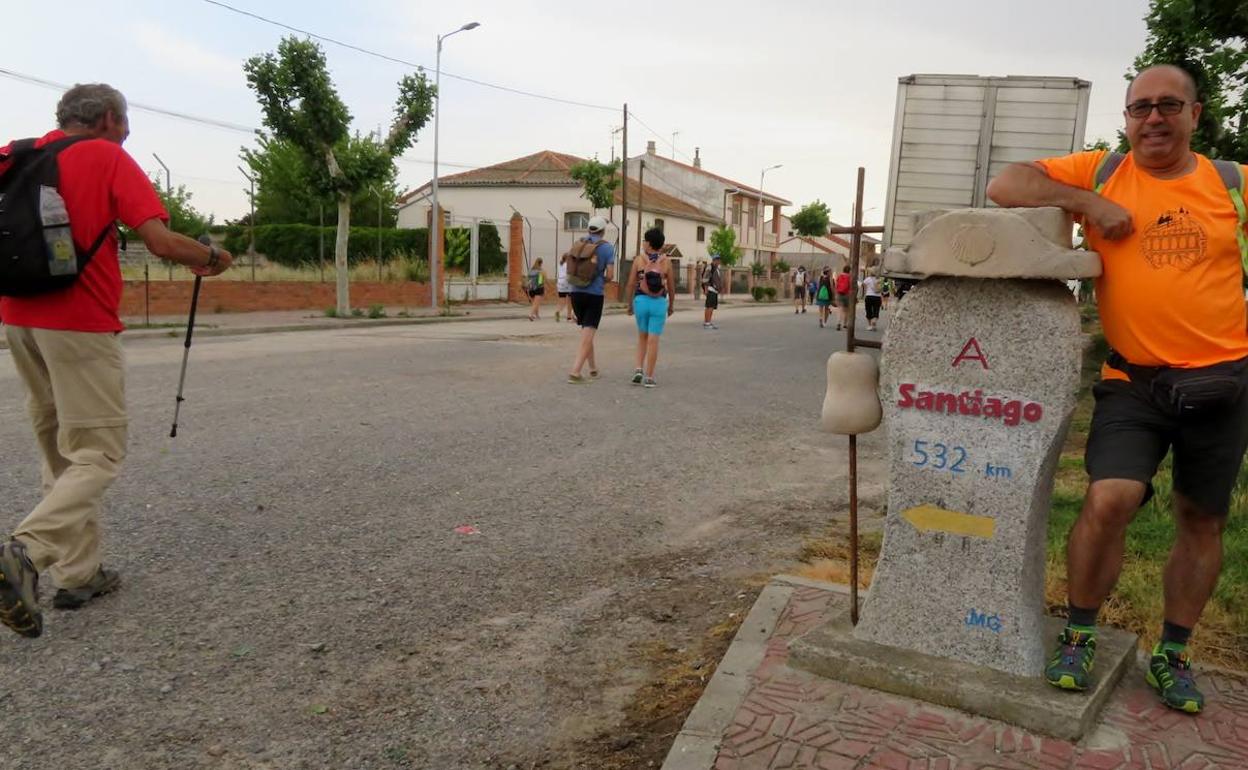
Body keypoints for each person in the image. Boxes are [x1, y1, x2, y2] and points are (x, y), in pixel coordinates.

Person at [987, 64, 1248, 714]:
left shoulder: (1233, 183)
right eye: (1140, 108)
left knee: (1202, 519)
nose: (1153, 118)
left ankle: (1175, 653)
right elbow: (1005, 183)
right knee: (1109, 499)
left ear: (1196, 114)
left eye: (1169, 106)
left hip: (1224, 382)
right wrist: (1087, 204)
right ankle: (1078, 632)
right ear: (1127, 117)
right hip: (1133, 379)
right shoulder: (1103, 171)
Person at [0, 83, 234, 638]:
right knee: (99, 452)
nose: (128, 133)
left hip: (16, 317)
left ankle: (79, 574)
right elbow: (158, 241)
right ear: (108, 118)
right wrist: (213, 257)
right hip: (78, 321)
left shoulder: (13, 154)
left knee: (64, 447)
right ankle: (24, 554)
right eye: (125, 123)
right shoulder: (107, 156)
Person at [566, 215, 615, 384]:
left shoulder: (579, 243)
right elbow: (610, 274)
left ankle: (593, 369)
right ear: (603, 231)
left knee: (587, 333)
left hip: (576, 292)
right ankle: (575, 371)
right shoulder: (607, 248)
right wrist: (603, 279)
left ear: (589, 229)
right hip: (594, 294)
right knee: (588, 334)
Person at [624, 228, 675, 387]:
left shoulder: (639, 260)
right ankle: (650, 377)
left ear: (649, 243)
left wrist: (629, 304)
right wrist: (671, 305)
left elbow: (631, 283)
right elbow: (672, 287)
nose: (643, 243)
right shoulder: (666, 262)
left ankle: (638, 369)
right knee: (653, 340)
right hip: (659, 303)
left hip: (641, 301)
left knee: (642, 337)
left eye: (644, 241)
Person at [702, 253, 723, 329]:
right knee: (709, 307)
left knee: (711, 307)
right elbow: (705, 278)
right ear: (714, 260)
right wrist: (706, 289)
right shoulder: (710, 267)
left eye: (719, 259)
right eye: (717, 259)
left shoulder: (716, 268)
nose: (719, 261)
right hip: (711, 290)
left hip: (714, 290)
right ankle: (707, 323)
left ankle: (708, 322)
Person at [833, 265, 853, 331]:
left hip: (839, 294)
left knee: (840, 309)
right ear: (849, 271)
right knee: (846, 310)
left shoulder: (839, 276)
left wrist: (835, 293)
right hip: (847, 294)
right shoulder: (850, 277)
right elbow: (851, 286)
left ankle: (838, 323)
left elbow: (836, 285)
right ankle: (845, 324)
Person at [555, 256, 573, 323]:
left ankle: (558, 311)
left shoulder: (560, 265)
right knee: (569, 302)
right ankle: (569, 317)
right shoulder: (568, 265)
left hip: (560, 284)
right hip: (568, 284)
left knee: (562, 302)